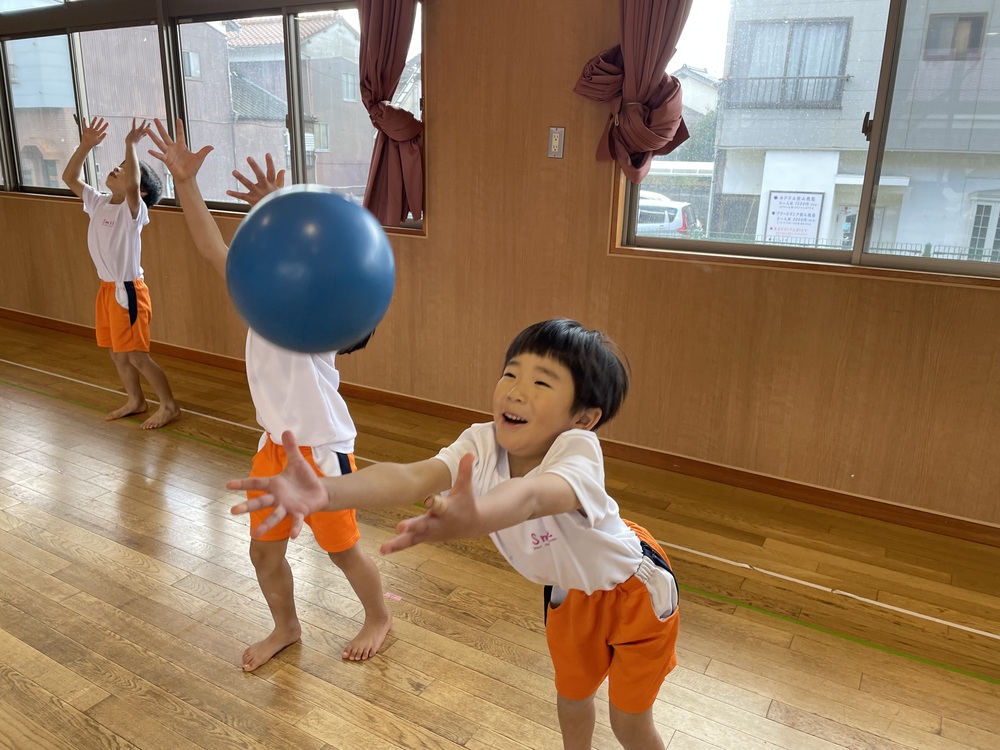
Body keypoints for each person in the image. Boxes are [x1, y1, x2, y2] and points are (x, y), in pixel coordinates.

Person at [229, 318, 680, 750]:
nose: (516, 391)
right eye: (510, 373)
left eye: (542, 383)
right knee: (572, 698)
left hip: (634, 593)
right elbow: (409, 477)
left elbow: (535, 496)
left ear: (583, 418)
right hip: (569, 593)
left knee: (629, 723)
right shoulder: (481, 442)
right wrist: (326, 491)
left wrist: (478, 516)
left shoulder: (577, 449)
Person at [146, 118, 391, 669]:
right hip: (274, 446)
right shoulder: (262, 306)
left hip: (323, 450)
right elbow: (214, 250)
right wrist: (185, 182)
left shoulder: (315, 324)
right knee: (263, 551)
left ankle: (379, 616)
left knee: (343, 550)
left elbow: (324, 252)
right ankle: (286, 626)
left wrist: (285, 203)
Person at [62, 116, 180, 429]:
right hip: (106, 289)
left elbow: (131, 186)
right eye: (118, 164)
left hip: (128, 292)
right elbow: (70, 177)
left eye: (125, 169)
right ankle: (136, 400)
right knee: (117, 354)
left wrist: (131, 144)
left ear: (139, 192)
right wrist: (86, 146)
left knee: (138, 356)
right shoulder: (98, 202)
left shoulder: (134, 212)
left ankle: (169, 406)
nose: (117, 169)